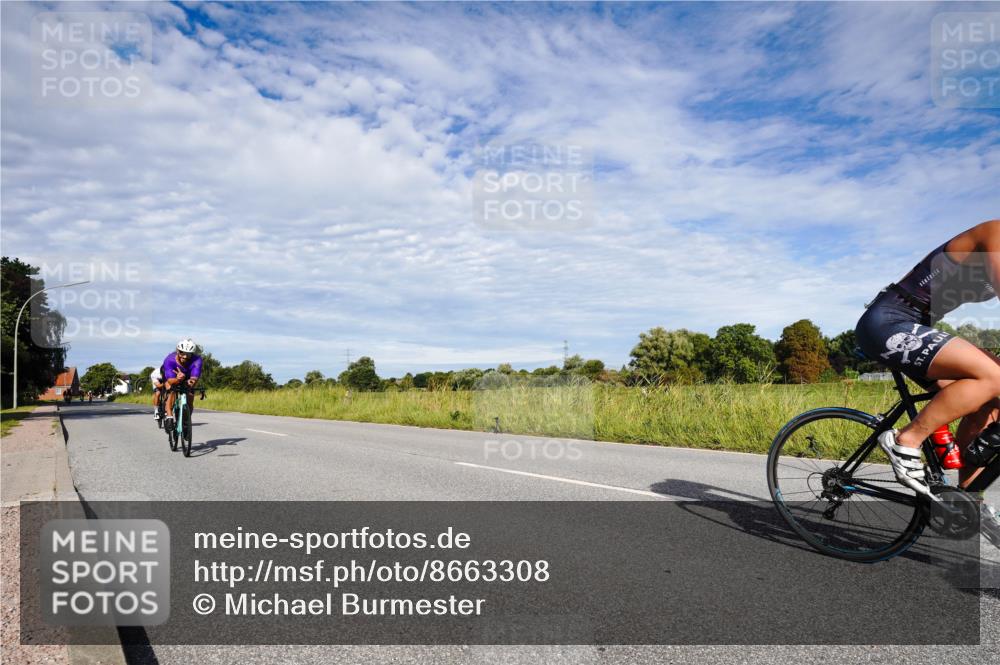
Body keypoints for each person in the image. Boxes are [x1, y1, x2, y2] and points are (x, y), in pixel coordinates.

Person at [855, 219, 1000, 538]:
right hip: (888, 322)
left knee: (990, 400)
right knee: (994, 377)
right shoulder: (996, 233)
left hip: (918, 326)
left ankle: (966, 498)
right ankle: (906, 439)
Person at [161, 338, 203, 428]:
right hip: (172, 375)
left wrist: (189, 383)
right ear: (177, 351)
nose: (184, 356)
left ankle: (186, 420)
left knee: (190, 396)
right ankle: (169, 416)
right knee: (171, 390)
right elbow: (170, 381)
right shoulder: (169, 360)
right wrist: (178, 379)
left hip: (187, 375)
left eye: (188, 354)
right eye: (182, 353)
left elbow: (194, 378)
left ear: (192, 354)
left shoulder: (197, 360)